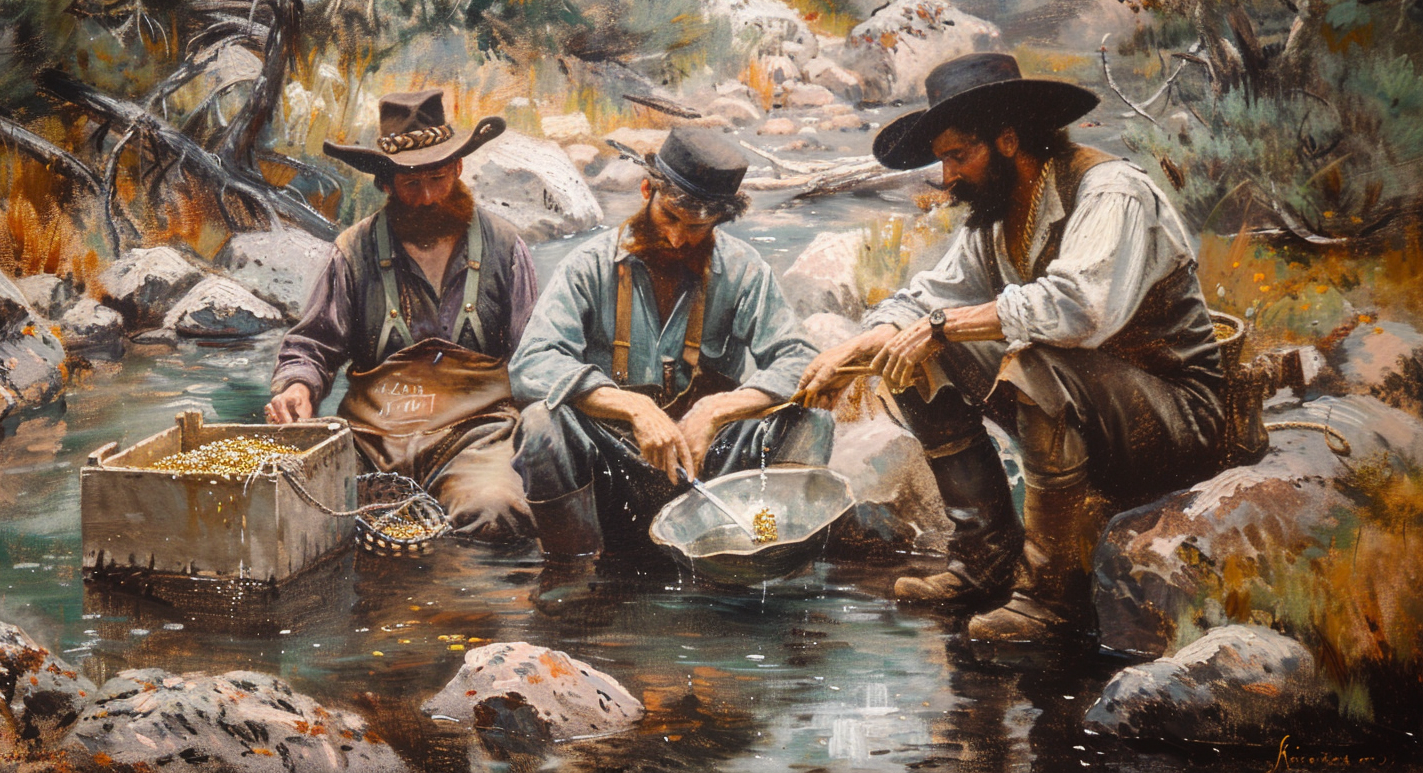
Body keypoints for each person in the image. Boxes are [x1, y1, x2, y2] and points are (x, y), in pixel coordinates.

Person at [796, 53, 1225, 644]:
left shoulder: (1111, 192)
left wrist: (942, 325)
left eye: (956, 155)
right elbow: (925, 300)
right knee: (909, 355)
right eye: (942, 158)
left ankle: (1051, 596)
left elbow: (1080, 309)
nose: (945, 177)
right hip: (1089, 409)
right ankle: (984, 559)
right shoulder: (996, 218)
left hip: (1176, 415)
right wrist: (858, 347)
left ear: (1006, 139)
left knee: (1026, 362)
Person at [510, 127, 833, 562]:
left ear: (720, 220)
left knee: (812, 421)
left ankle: (768, 555)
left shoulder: (743, 270)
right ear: (647, 190)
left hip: (709, 466)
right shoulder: (587, 266)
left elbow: (801, 360)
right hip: (613, 463)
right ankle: (573, 572)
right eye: (671, 218)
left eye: (698, 227)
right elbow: (532, 362)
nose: (679, 238)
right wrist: (633, 408)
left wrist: (715, 411)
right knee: (540, 423)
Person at [266, 90, 539, 543]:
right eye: (412, 185)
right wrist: (298, 385)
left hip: (477, 439)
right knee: (299, 509)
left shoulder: (506, 246)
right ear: (387, 185)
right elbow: (312, 345)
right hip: (371, 441)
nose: (429, 197)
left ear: (458, 168)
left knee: (496, 511)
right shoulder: (352, 252)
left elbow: (535, 356)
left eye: (438, 177)